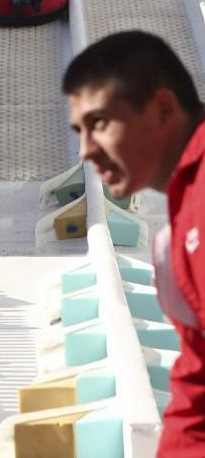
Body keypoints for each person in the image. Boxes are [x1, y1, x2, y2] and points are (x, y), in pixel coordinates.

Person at [63, 29, 205, 457]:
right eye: (79, 131)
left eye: (99, 124)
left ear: (162, 107)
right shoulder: (182, 223)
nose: (86, 150)